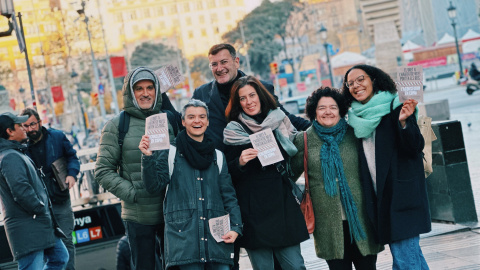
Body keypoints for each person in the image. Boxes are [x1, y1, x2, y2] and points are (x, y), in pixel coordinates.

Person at [341, 64, 431, 270]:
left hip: (402, 197)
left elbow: (415, 147)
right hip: (380, 200)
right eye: (350, 83)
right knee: (410, 257)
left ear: (373, 79)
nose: (356, 86)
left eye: (360, 79)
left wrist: (404, 123)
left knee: (405, 261)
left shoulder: (395, 106)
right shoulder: (355, 118)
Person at [140, 99, 242, 270]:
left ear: (208, 122)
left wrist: (236, 227)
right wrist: (147, 157)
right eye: (191, 117)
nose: (197, 121)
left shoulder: (218, 156)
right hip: (185, 243)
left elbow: (229, 196)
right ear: (183, 121)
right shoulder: (170, 152)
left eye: (202, 116)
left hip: (218, 240)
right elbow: (153, 186)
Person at [290, 87, 383, 270]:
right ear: (314, 112)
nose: (328, 112)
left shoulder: (354, 134)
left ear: (340, 110)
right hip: (328, 226)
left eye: (333, 107)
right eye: (321, 108)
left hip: (361, 219)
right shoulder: (305, 140)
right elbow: (289, 174)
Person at [223, 76, 309, 270]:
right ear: (238, 103)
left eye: (252, 95)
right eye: (242, 98)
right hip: (253, 211)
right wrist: (240, 162)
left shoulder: (279, 120)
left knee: (296, 266)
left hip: (282, 204)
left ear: (260, 96)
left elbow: (297, 149)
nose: (249, 101)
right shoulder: (233, 130)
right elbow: (226, 174)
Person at [95, 66, 176, 270]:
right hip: (139, 215)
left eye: (150, 87)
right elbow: (102, 170)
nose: (145, 93)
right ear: (130, 92)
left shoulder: (169, 120)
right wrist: (132, 193)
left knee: (176, 266)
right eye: (139, 88)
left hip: (172, 212)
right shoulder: (116, 126)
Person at [161, 43, 310, 152]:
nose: (219, 68)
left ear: (236, 62)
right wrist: (161, 93)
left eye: (224, 62)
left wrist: (319, 127)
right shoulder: (201, 94)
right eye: (214, 64)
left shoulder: (261, 88)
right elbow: (184, 123)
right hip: (221, 172)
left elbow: (285, 117)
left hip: (258, 170)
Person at [0, 112, 69, 270]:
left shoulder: (15, 153)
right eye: (20, 126)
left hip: (39, 223)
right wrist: (39, 207)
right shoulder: (10, 157)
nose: (24, 128)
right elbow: (20, 190)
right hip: (28, 227)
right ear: (10, 131)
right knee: (32, 267)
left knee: (60, 257)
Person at [20, 108, 80, 270]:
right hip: (39, 206)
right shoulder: (21, 147)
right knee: (48, 248)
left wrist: (72, 174)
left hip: (60, 199)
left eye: (32, 124)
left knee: (66, 242)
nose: (30, 129)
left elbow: (72, 157)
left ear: (39, 122)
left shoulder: (57, 136)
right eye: (25, 126)